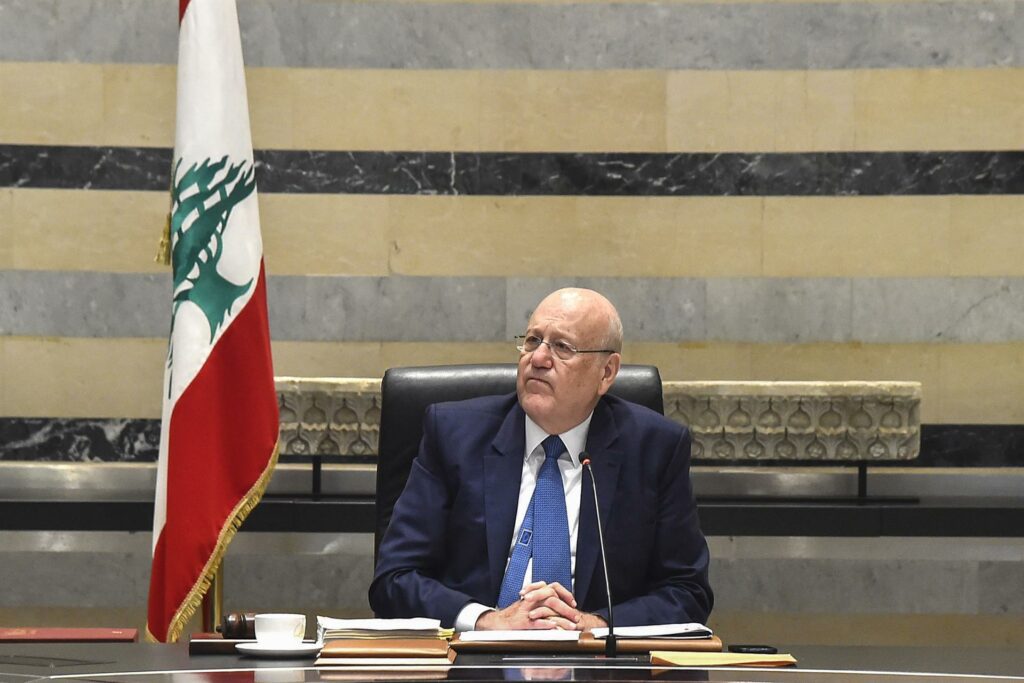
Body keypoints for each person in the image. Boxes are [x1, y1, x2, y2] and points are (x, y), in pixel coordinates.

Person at [369, 288, 713, 631]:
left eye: (562, 347)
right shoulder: (454, 436)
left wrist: (592, 625)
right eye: (533, 341)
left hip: (596, 655)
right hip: (473, 652)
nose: (538, 358)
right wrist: (485, 621)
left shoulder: (654, 448)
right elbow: (395, 578)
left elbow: (687, 591)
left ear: (606, 372)